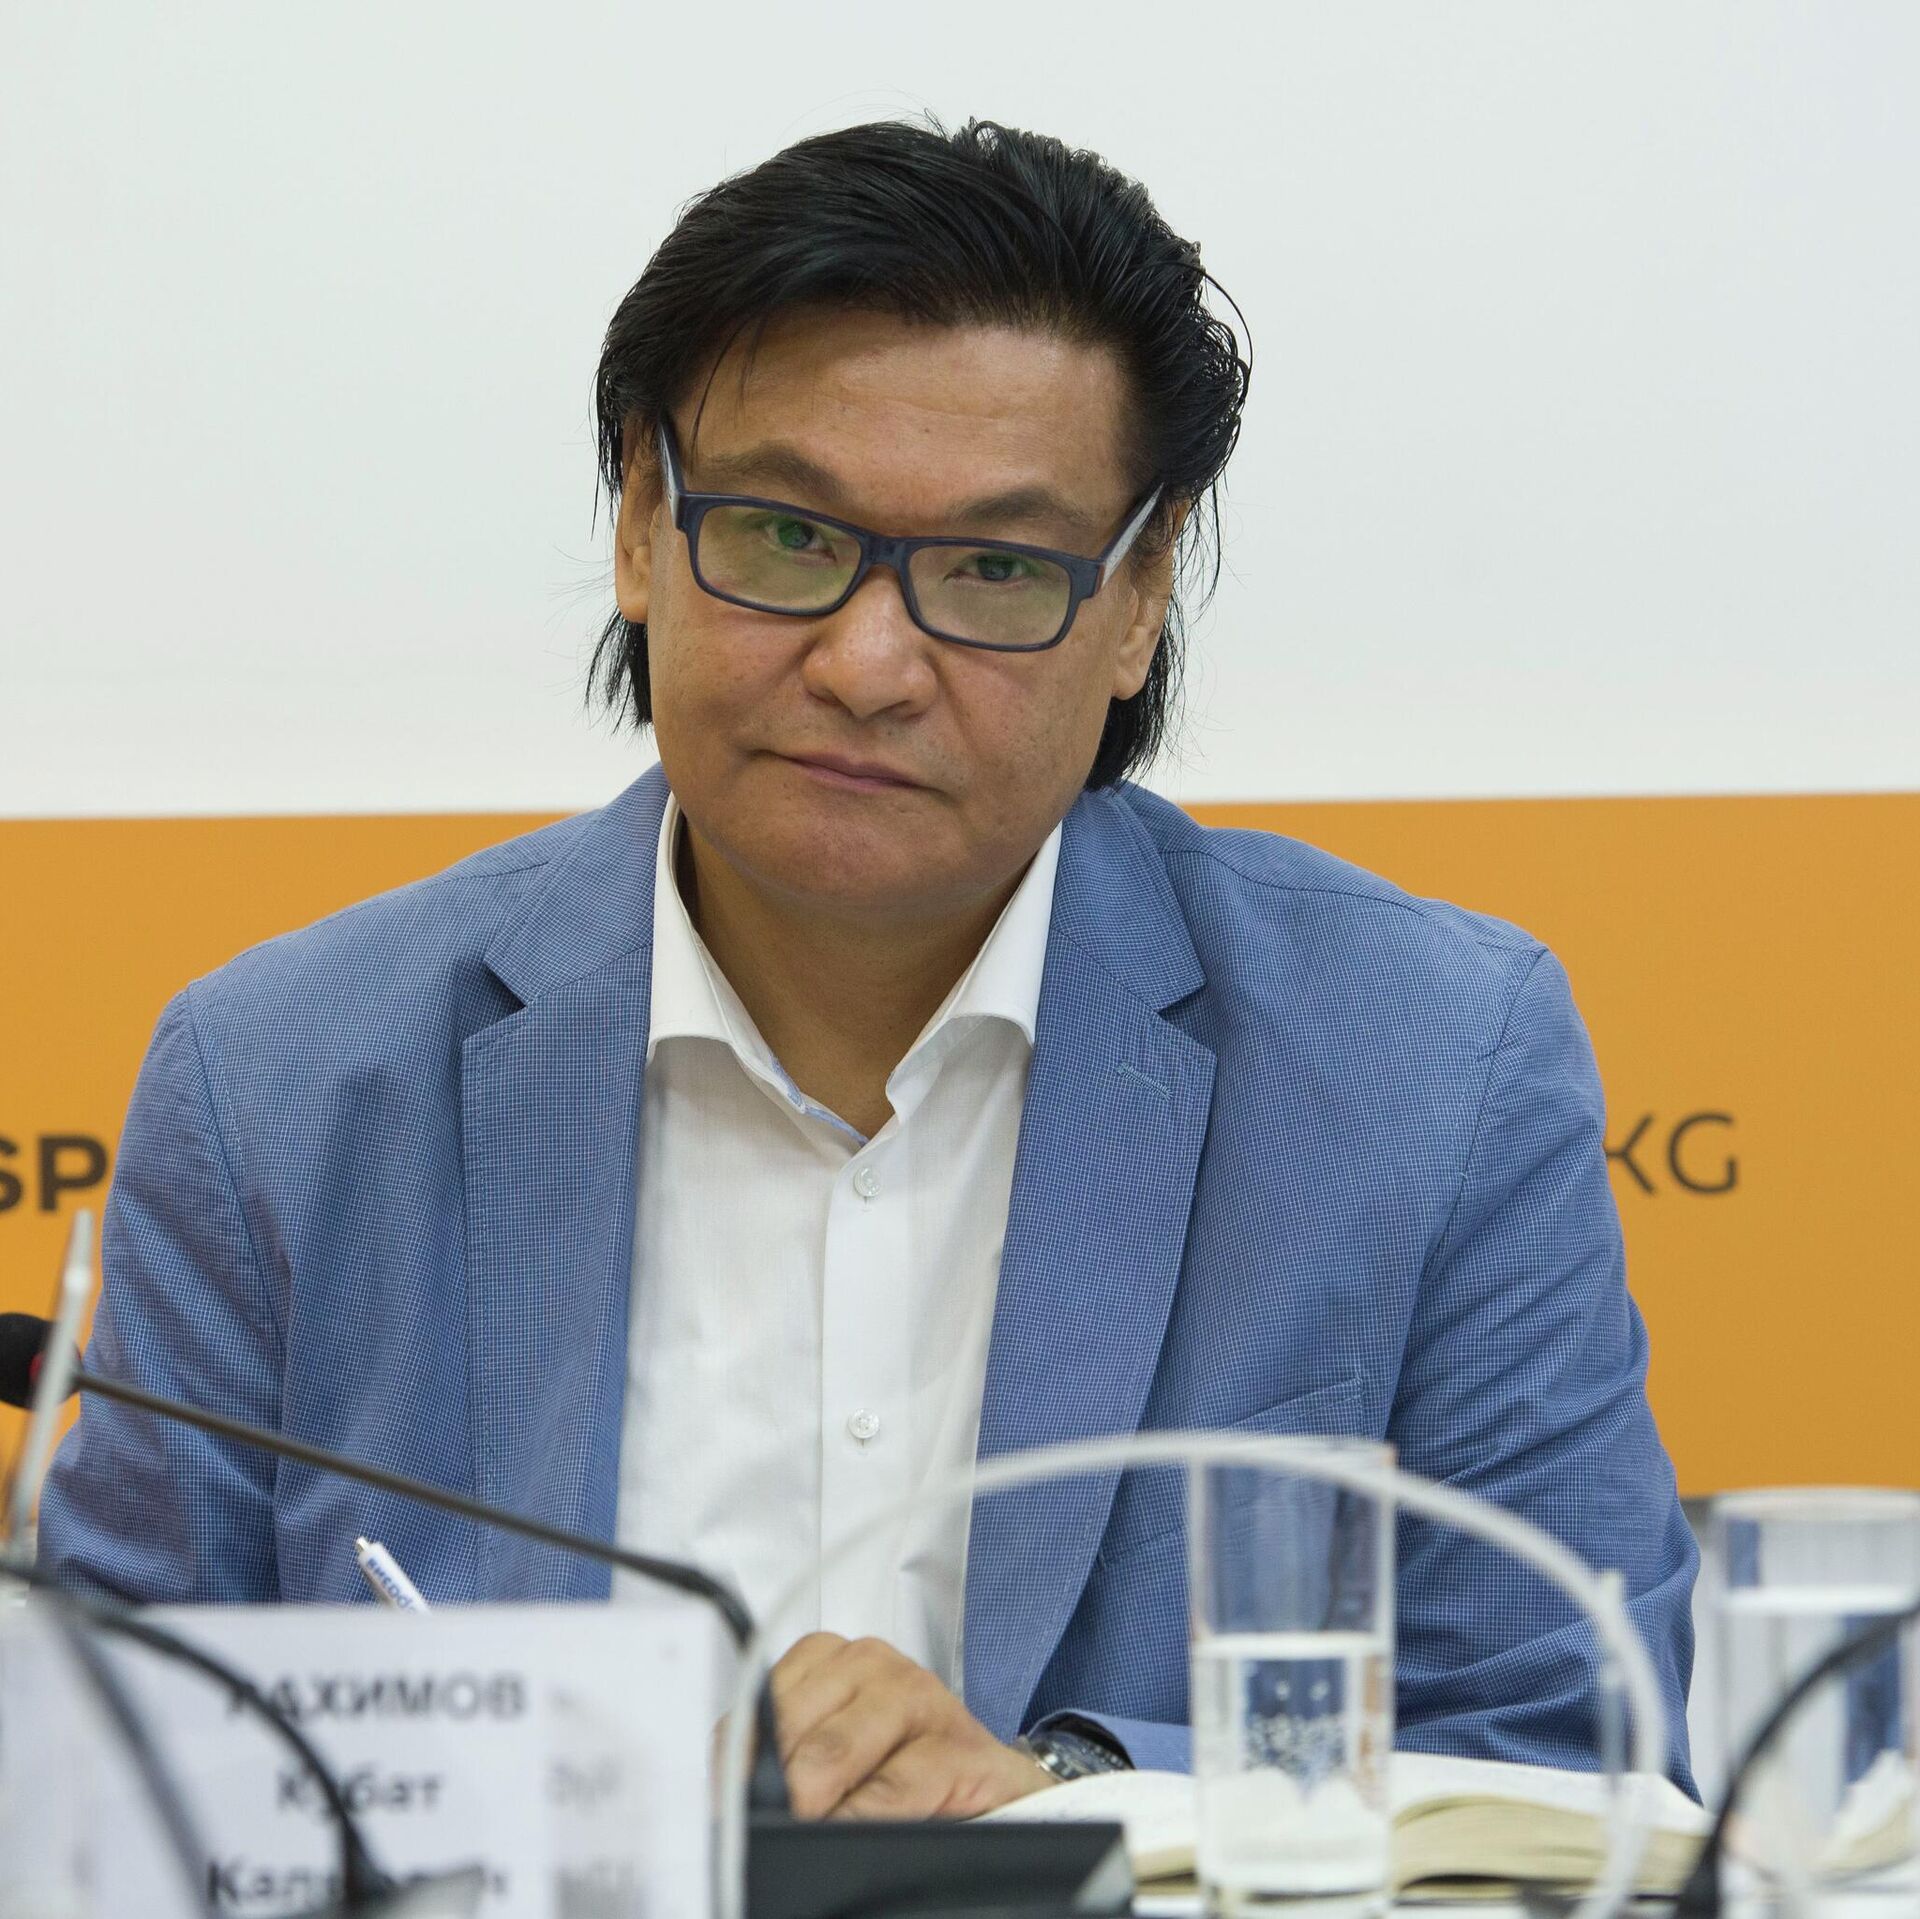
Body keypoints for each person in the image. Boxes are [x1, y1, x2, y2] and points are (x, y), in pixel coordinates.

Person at [40, 116, 1696, 1819]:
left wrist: (1068, 1805)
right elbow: (100, 1790)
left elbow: (1580, 1775)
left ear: (1140, 600)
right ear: (641, 521)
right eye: (784, 536)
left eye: (997, 569)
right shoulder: (283, 1084)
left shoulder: (1430, 1067)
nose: (870, 663)